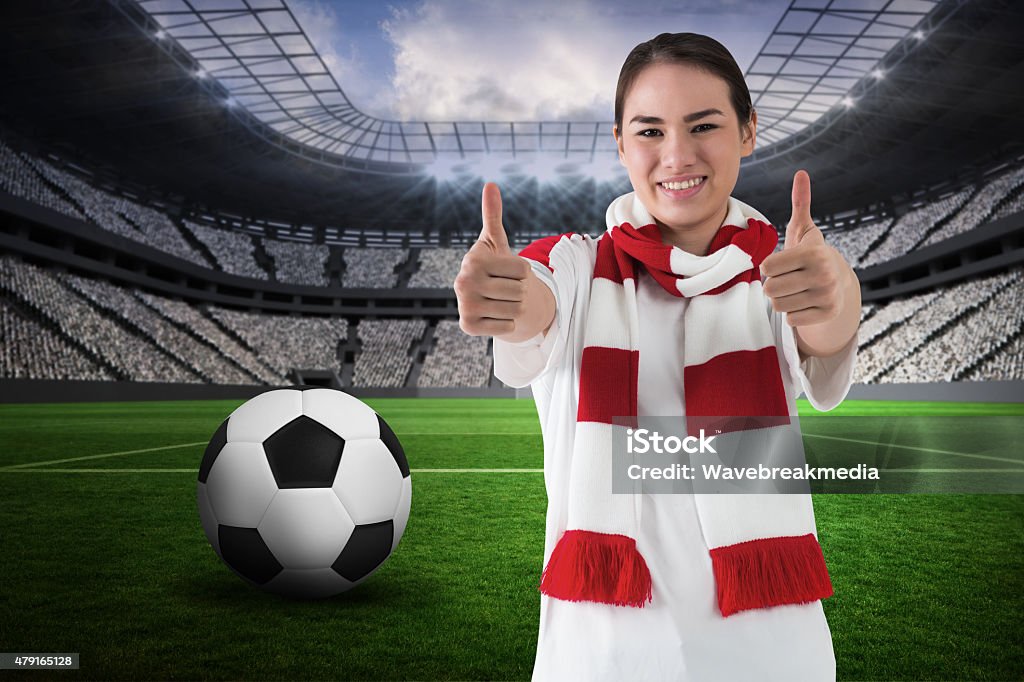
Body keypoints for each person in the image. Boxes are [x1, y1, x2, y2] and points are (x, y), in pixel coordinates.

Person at [455, 32, 860, 682]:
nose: (677, 155)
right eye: (650, 131)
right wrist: (504, 295)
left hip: (773, 659)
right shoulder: (575, 268)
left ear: (749, 131)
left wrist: (834, 293)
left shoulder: (780, 275)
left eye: (704, 125)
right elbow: (535, 300)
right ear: (620, 142)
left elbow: (823, 329)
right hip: (605, 661)